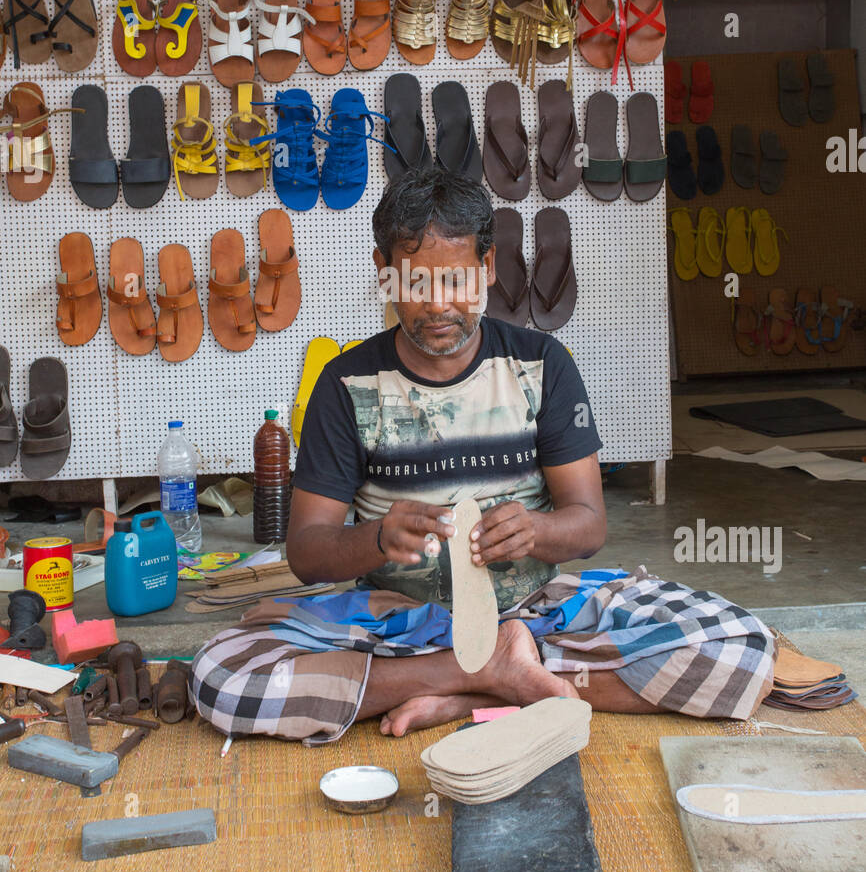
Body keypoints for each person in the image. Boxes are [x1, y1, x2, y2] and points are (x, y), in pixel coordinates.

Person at [191, 170, 776, 744]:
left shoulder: (542, 365)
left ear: (489, 269)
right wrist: (375, 539)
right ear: (384, 274)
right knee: (221, 677)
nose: (438, 306)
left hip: (539, 614)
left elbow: (588, 522)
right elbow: (307, 552)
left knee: (743, 652)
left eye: (457, 282)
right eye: (416, 284)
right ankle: (491, 673)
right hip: (396, 623)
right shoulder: (346, 386)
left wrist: (537, 531)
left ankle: (469, 688)